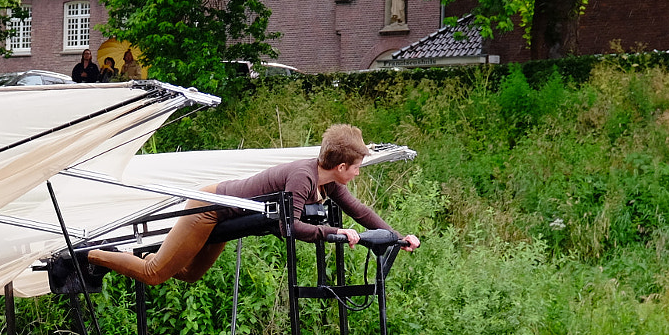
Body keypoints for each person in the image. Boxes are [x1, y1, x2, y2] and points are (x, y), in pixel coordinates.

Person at [84, 124, 420, 286]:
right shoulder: (303, 177)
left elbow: (359, 211)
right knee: (155, 274)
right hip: (208, 206)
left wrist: (397, 236)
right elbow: (290, 226)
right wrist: (335, 232)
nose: (360, 172)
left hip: (228, 218)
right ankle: (92, 253)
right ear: (342, 165)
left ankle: (131, 256)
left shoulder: (327, 181)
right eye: (358, 166)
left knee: (190, 274)